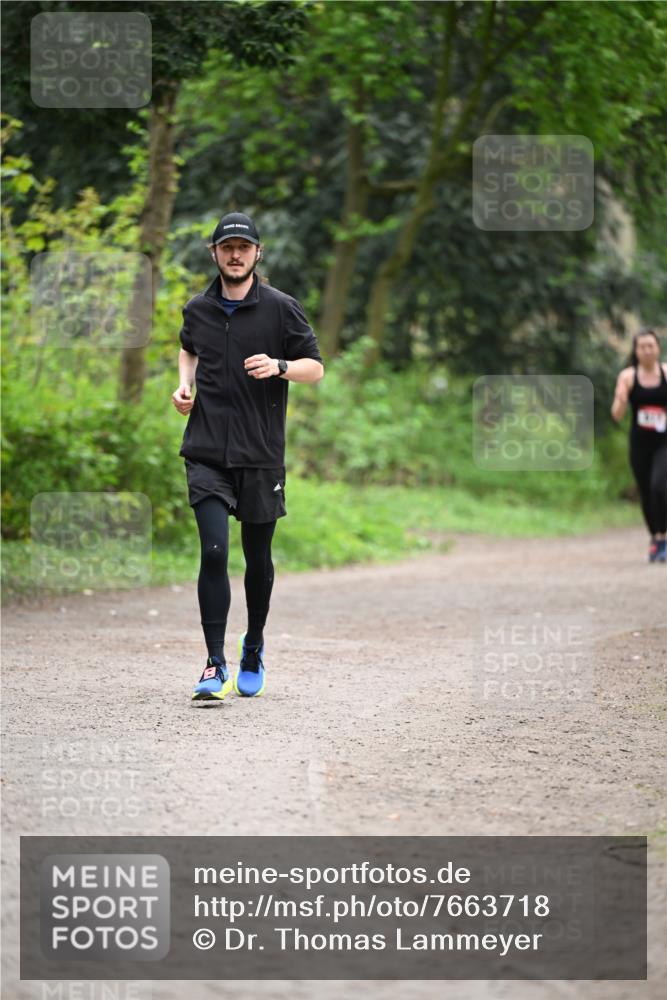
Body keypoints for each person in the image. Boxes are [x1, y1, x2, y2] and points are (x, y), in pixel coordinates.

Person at [171, 212, 324, 699]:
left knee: (257, 558)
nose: (234, 255)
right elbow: (188, 349)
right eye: (226, 247)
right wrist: (183, 384)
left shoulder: (281, 308)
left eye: (243, 247)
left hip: (260, 453)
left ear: (258, 253)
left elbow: (314, 368)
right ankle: (215, 665)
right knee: (214, 551)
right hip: (207, 449)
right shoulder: (198, 308)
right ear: (214, 254)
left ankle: (253, 645)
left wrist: (280, 366)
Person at [611, 326, 667, 562]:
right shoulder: (628, 377)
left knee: (659, 486)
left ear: (658, 348)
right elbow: (616, 415)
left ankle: (663, 538)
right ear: (635, 350)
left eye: (650, 346)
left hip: (664, 442)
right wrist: (622, 400)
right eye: (642, 346)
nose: (646, 350)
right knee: (646, 491)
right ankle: (655, 538)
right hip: (640, 443)